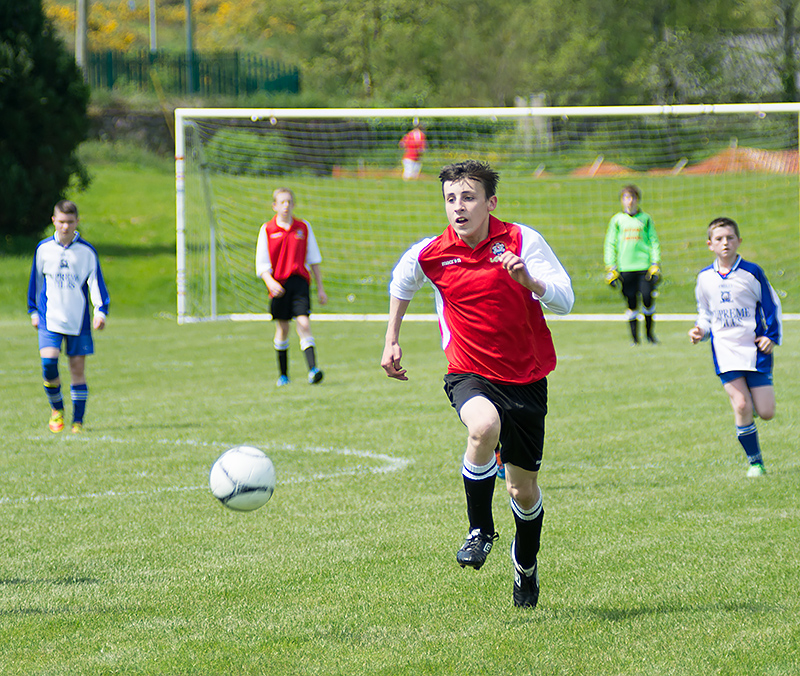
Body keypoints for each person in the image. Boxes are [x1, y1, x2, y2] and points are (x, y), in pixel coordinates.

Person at [381, 160, 574, 608]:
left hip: (526, 378)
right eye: (450, 199)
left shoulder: (523, 241)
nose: (458, 207)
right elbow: (402, 281)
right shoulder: (430, 252)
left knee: (522, 491)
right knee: (482, 428)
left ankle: (525, 566)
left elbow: (566, 299)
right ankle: (480, 529)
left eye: (468, 198)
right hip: (468, 372)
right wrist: (392, 339)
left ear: (490, 202)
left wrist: (530, 280)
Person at [689, 217, 782, 478]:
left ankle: (753, 401)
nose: (725, 243)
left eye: (730, 237)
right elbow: (705, 314)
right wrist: (700, 330)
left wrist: (771, 337)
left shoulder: (752, 273)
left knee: (766, 412)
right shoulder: (705, 278)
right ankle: (756, 463)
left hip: (754, 350)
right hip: (726, 351)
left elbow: (772, 305)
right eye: (719, 239)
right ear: (710, 244)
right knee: (740, 405)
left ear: (739, 241)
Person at [27, 200, 110, 434]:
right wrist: (33, 310)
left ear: (77, 222)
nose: (65, 227)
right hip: (49, 318)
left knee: (76, 369)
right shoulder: (43, 249)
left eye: (70, 222)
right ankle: (57, 409)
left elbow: (96, 285)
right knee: (48, 364)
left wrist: (100, 312)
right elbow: (36, 282)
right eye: (61, 221)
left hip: (78, 319)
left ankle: (78, 422)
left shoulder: (86, 252)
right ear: (54, 221)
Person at [255, 188, 327, 386]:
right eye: (282, 202)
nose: (286, 205)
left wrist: (321, 288)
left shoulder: (303, 228)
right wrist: (270, 282)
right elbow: (261, 264)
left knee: (304, 323)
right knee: (283, 329)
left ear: (293, 204)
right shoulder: (267, 229)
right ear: (274, 206)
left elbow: (313, 259)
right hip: (278, 284)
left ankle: (313, 370)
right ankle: (283, 375)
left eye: (289, 202)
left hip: (299, 283)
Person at [604, 185, 661, 344]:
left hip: (644, 267)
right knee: (631, 302)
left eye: (632, 198)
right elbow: (610, 243)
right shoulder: (617, 220)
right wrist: (611, 266)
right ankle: (635, 339)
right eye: (626, 198)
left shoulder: (646, 219)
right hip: (625, 268)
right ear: (622, 201)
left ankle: (650, 335)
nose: (630, 201)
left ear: (637, 200)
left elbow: (653, 241)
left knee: (647, 298)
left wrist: (655, 263)